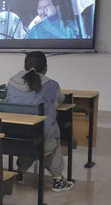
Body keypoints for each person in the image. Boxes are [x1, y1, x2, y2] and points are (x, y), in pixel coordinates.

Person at [5, 51, 74, 192]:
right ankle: (58, 180)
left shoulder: (12, 82)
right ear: (45, 69)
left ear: (25, 67)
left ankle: (21, 173)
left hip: (17, 139)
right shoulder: (52, 85)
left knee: (28, 135)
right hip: (44, 141)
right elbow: (60, 99)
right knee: (52, 134)